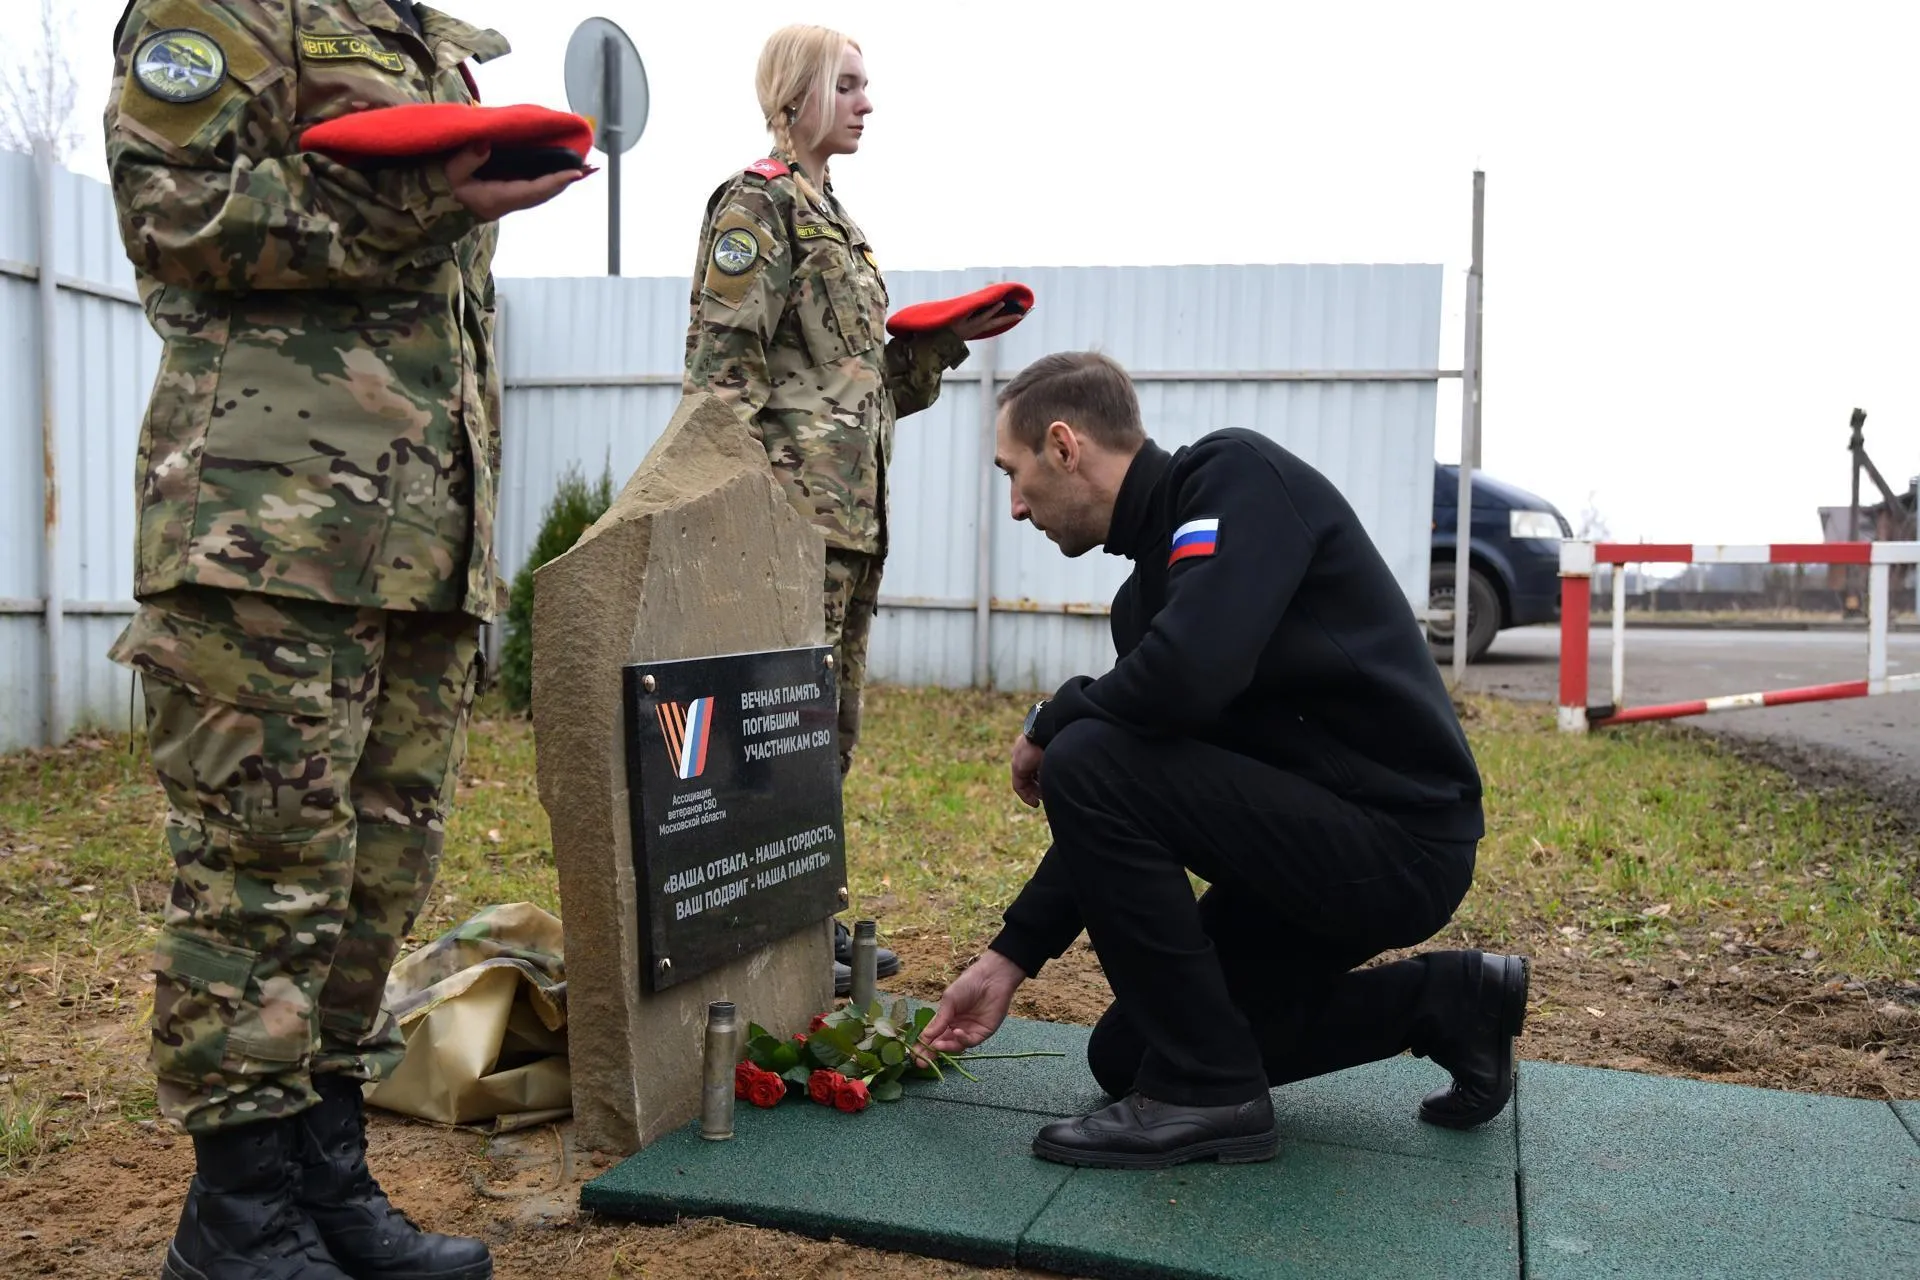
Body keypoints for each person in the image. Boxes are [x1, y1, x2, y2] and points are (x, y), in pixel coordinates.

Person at [102, 2, 586, 1277]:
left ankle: (325, 1181)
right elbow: (172, 212)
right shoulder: (228, 10)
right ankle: (237, 1217)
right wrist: (422, 194)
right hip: (267, 535)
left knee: (375, 883)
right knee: (263, 879)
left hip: (423, 544)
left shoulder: (430, 40)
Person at [920, 351, 1531, 1171]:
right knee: (1130, 1056)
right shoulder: (1150, 600)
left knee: (1088, 754)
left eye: (1013, 473)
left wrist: (1056, 717)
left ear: (1064, 446)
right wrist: (1010, 957)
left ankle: (1209, 1093)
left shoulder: (1234, 479)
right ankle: (1447, 1002)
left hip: (1399, 844)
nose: (1017, 506)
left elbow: (1177, 686)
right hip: (1303, 857)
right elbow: (1132, 783)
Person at [681, 23, 1008, 995]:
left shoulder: (839, 221)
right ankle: (752, 922)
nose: (868, 102)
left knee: (826, 735)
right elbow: (722, 376)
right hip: (789, 524)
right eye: (850, 84)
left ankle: (801, 917)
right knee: (772, 732)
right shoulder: (758, 205)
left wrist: (940, 343)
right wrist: (732, 518)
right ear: (797, 93)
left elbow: (860, 395)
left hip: (853, 524)